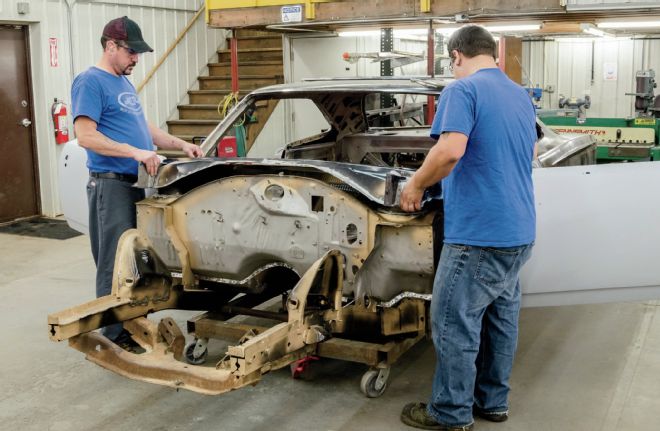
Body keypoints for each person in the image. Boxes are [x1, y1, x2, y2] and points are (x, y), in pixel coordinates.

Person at [399, 25, 537, 430]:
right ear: (490, 53)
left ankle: (451, 412)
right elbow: (527, 152)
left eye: (451, 61)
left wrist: (415, 183)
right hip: (519, 230)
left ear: (456, 56)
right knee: (500, 321)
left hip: (478, 234)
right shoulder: (520, 94)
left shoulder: (462, 91)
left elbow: (450, 150)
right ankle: (493, 403)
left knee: (452, 322)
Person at [71, 16, 203, 348]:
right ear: (110, 46)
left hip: (135, 182)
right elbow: (85, 136)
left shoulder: (123, 82)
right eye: (131, 52)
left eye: (138, 54)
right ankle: (114, 334)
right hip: (111, 184)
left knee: (136, 259)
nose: (136, 59)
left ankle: (130, 321)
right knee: (113, 261)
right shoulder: (90, 81)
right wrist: (134, 152)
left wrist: (180, 144)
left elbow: (145, 128)